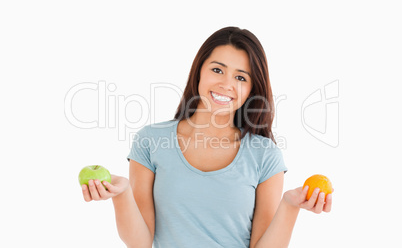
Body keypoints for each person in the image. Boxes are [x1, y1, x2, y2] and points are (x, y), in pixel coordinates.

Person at [81, 26, 333, 248]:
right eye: (217, 70)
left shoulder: (264, 155)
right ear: (199, 71)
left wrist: (289, 206)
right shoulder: (151, 140)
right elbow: (140, 242)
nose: (226, 84)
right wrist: (122, 194)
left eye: (240, 77)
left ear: (251, 89)